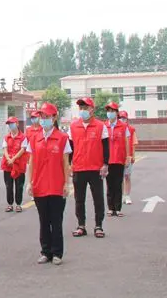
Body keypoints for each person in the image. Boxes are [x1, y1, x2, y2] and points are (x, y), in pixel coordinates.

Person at [25, 103, 72, 265]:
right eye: (42, 117)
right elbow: (31, 162)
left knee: (56, 220)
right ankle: (46, 251)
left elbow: (65, 163)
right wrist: (30, 182)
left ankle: (57, 252)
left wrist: (66, 184)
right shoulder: (34, 138)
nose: (43, 120)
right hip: (39, 185)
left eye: (46, 117)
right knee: (43, 220)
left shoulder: (62, 138)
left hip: (56, 186)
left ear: (54, 118)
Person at [69, 97, 110, 239]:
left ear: (92, 109)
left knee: (98, 198)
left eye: (85, 108)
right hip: (79, 167)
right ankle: (81, 225)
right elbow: (70, 147)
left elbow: (106, 146)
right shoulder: (73, 126)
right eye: (81, 108)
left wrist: (105, 164)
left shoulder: (100, 126)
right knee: (79, 199)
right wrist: (69, 165)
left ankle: (98, 226)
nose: (83, 110)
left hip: (95, 168)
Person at [104, 102, 131, 217]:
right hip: (108, 160)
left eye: (112, 111)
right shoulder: (104, 126)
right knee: (109, 184)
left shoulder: (123, 126)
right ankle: (111, 208)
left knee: (118, 184)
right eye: (108, 111)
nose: (110, 113)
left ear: (116, 113)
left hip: (119, 159)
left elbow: (126, 142)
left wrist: (127, 157)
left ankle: (118, 208)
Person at [2, 117, 27, 213]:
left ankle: (18, 204)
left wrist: (13, 159)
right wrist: (8, 158)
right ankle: (10, 204)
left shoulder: (23, 137)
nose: (10, 125)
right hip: (8, 165)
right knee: (8, 185)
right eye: (9, 124)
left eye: (12, 123)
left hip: (19, 165)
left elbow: (23, 149)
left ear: (17, 124)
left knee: (19, 186)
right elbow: (5, 149)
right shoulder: (6, 137)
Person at [121, 111, 138, 205]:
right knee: (119, 178)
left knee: (127, 176)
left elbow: (134, 143)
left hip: (128, 156)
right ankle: (121, 196)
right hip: (118, 157)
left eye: (124, 118)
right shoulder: (116, 129)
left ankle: (127, 195)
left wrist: (133, 156)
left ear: (127, 119)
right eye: (120, 118)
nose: (122, 120)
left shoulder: (131, 129)